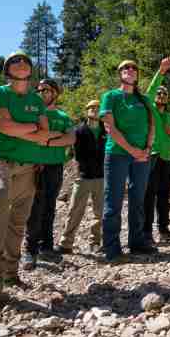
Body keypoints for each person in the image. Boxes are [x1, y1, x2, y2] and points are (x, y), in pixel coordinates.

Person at [0, 51, 50, 304]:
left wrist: (21, 130)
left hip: (28, 166)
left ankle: (11, 272)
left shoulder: (37, 101)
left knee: (18, 220)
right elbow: (4, 127)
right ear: (7, 69)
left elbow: (45, 136)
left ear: (31, 70)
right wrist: (31, 128)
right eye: (14, 61)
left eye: (25, 61)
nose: (20, 64)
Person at [99, 59, 157, 262]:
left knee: (138, 199)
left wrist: (147, 148)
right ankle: (111, 247)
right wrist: (132, 150)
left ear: (138, 74)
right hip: (117, 153)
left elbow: (152, 125)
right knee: (113, 201)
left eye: (133, 68)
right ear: (119, 73)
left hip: (142, 155)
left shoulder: (144, 100)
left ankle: (137, 241)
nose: (130, 70)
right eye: (125, 67)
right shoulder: (110, 96)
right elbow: (110, 128)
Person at [22, 79, 75, 270]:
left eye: (46, 90)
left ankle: (47, 246)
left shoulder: (63, 116)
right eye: (39, 90)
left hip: (55, 166)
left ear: (55, 93)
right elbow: (29, 137)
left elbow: (70, 138)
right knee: (35, 208)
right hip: (36, 165)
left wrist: (46, 141)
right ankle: (30, 250)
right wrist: (54, 135)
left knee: (50, 207)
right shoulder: (32, 114)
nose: (42, 92)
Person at [55, 100, 107, 255]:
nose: (94, 110)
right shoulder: (78, 131)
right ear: (86, 111)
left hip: (101, 176)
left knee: (99, 213)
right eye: (91, 108)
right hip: (82, 176)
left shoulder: (106, 131)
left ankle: (95, 242)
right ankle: (66, 243)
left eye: (97, 108)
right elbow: (69, 154)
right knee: (74, 210)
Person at [144, 57, 170, 244]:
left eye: (164, 94)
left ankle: (164, 228)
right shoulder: (150, 110)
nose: (161, 95)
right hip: (153, 156)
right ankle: (146, 231)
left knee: (164, 195)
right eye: (159, 93)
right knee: (149, 194)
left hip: (168, 158)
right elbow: (148, 93)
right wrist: (161, 71)